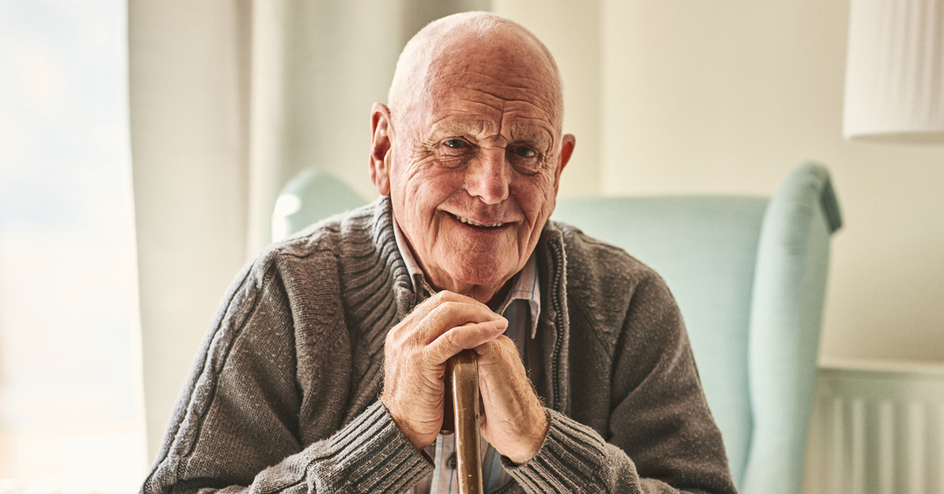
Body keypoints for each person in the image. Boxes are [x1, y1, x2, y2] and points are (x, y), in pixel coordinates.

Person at [143, 12, 737, 494]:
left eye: (527, 152)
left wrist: (543, 444)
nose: (492, 188)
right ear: (383, 150)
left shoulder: (631, 304)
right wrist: (388, 436)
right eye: (456, 143)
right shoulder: (285, 293)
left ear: (558, 170)